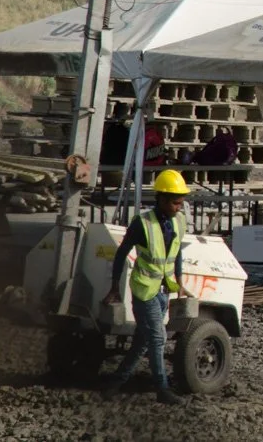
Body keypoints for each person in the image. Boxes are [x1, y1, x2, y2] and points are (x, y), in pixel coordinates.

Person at [100, 168, 190, 404]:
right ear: (161, 198)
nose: (179, 207)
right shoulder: (143, 223)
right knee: (158, 338)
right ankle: (162, 389)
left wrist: (179, 282)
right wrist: (114, 287)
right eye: (175, 203)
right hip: (144, 291)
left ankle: (116, 383)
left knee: (142, 342)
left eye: (181, 203)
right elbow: (121, 255)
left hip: (163, 291)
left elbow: (177, 252)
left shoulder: (179, 221)